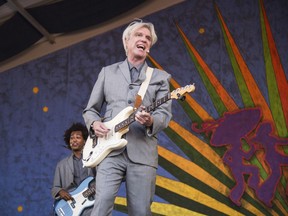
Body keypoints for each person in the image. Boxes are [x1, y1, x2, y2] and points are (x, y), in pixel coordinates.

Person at [82, 19, 172, 215]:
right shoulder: (107, 72)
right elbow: (90, 110)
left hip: (142, 153)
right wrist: (95, 123)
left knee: (140, 210)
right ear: (127, 41)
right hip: (108, 151)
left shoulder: (160, 78)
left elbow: (164, 114)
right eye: (139, 35)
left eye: (148, 38)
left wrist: (150, 121)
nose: (144, 40)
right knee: (101, 205)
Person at [51, 122, 95, 216]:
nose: (74, 140)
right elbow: (55, 188)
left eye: (78, 137)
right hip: (71, 206)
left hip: (92, 204)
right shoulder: (61, 165)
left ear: (85, 141)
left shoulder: (94, 159)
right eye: (72, 138)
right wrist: (60, 191)